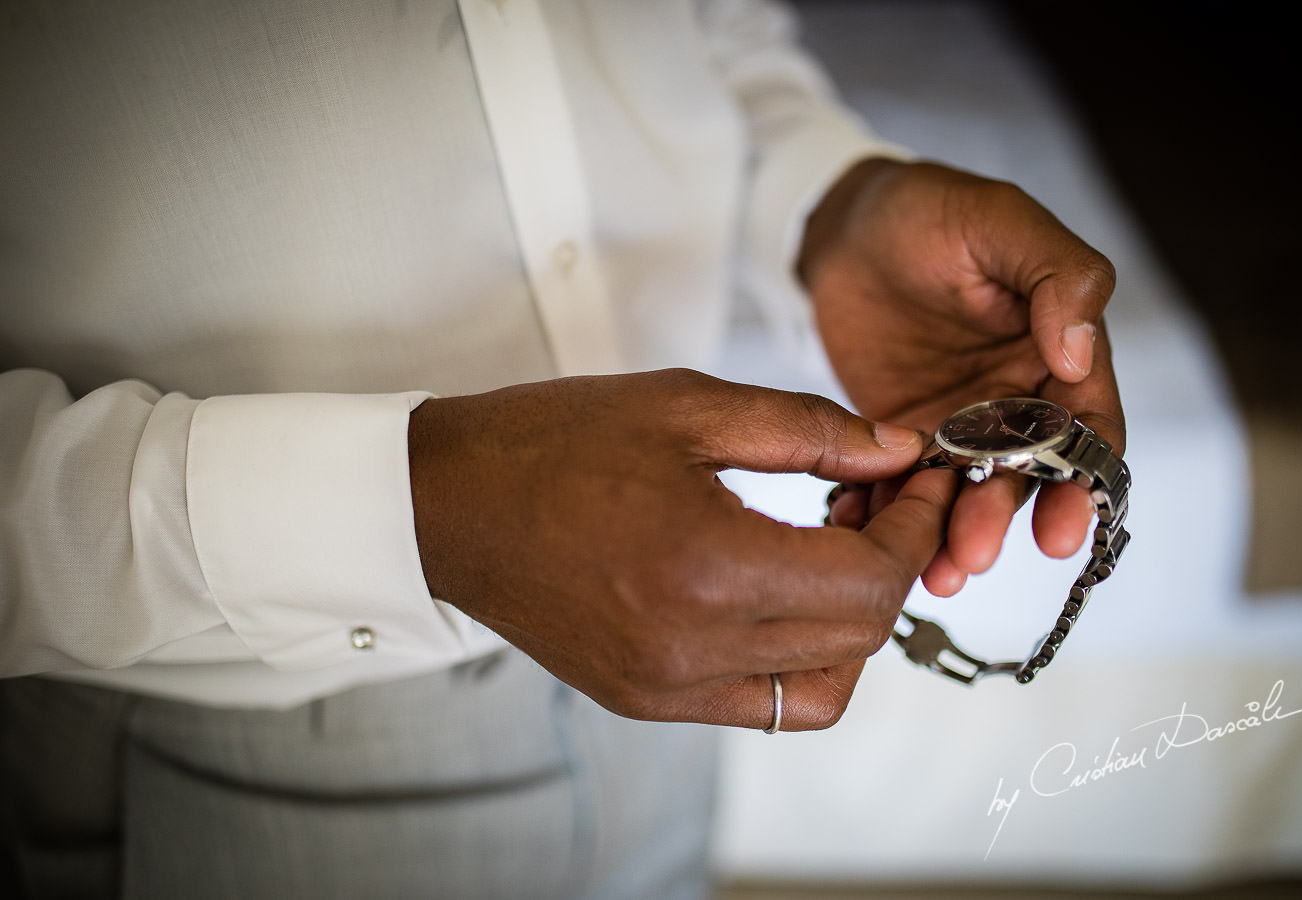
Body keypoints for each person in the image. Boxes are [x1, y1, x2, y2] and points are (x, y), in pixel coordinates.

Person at [0, 1, 1124, 896]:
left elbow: (711, 25)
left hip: (678, 660)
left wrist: (828, 200)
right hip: (235, 740)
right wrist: (418, 508)